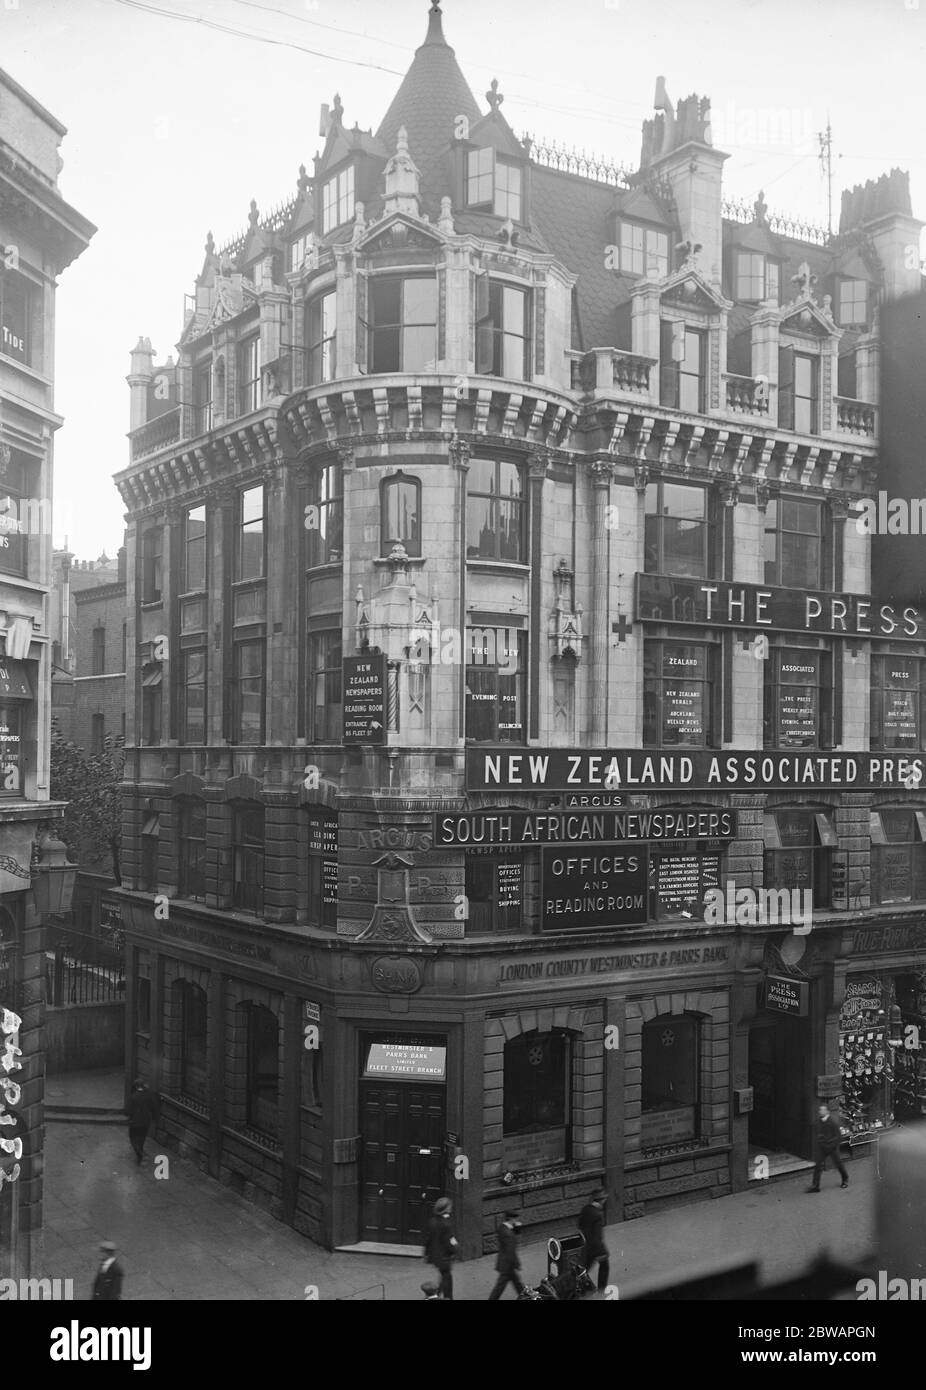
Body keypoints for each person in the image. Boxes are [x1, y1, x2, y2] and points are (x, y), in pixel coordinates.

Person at [808, 1103, 849, 1192]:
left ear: (827, 1111)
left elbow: (838, 1136)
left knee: (838, 1164)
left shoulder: (833, 1122)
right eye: (820, 1110)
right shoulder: (818, 1121)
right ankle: (815, 1186)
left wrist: (832, 1145)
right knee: (818, 1166)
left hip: (832, 1147)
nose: (820, 1111)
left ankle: (845, 1179)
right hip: (822, 1147)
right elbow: (816, 1132)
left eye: (822, 1110)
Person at [423, 1196, 458, 1300]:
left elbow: (428, 1239)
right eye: (449, 1206)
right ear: (446, 1208)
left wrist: (426, 1253)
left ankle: (435, 1295)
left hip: (435, 1256)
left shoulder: (433, 1221)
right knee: (447, 1279)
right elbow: (450, 1241)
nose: (451, 1207)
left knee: (444, 1276)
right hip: (444, 1257)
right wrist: (456, 1250)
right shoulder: (446, 1223)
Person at [578, 1188, 610, 1292]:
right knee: (605, 1266)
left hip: (587, 1245)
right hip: (596, 1247)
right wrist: (601, 1251)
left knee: (584, 1269)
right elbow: (597, 1235)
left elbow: (580, 1225)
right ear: (602, 1200)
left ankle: (575, 1286)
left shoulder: (586, 1209)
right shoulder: (598, 1215)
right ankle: (601, 1291)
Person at [488, 1211, 525, 1300]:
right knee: (500, 1287)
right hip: (508, 1264)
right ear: (511, 1219)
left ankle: (526, 1297)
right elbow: (511, 1251)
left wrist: (517, 1228)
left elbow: (512, 1233)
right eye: (515, 1219)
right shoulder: (509, 1234)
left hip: (504, 1262)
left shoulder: (502, 1227)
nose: (517, 1220)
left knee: (517, 1284)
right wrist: (517, 1264)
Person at [125, 1078, 159, 1165]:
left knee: (132, 1137)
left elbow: (128, 1111)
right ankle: (140, 1148)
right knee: (142, 1136)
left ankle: (138, 1151)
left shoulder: (133, 1097)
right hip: (145, 1121)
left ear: (136, 1086)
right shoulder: (148, 1095)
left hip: (134, 1121)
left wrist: (129, 1117)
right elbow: (154, 1108)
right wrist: (154, 1118)